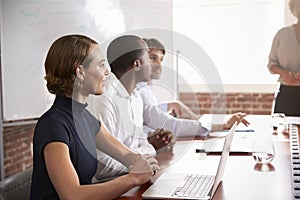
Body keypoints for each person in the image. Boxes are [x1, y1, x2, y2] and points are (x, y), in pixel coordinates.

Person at [30, 34, 159, 200]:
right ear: (80, 72)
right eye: (101, 65)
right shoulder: (54, 125)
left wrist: (144, 163)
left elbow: (127, 156)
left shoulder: (85, 117)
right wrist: (133, 178)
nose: (107, 72)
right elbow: (72, 195)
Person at [87, 35, 173, 181]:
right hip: (108, 187)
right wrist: (149, 150)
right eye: (148, 58)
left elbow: (140, 144)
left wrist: (150, 146)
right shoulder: (103, 99)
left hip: (131, 179)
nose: (152, 65)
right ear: (137, 64)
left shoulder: (136, 98)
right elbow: (103, 168)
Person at [137, 37, 250, 137]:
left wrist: (170, 105)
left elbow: (148, 112)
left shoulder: (144, 90)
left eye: (161, 59)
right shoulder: (142, 92)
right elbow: (171, 126)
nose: (159, 65)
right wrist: (224, 125)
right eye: (152, 58)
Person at [268, 0, 300, 116]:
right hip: (286, 93)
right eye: (298, 5)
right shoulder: (282, 34)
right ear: (293, 9)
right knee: (282, 132)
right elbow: (271, 64)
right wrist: (284, 72)